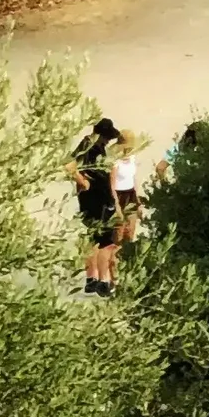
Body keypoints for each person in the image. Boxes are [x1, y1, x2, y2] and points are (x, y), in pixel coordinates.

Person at [72, 120, 125, 296]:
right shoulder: (91, 145)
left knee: (93, 238)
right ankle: (103, 281)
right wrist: (83, 182)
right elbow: (69, 165)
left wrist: (82, 183)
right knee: (106, 242)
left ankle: (91, 279)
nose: (109, 141)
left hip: (90, 198)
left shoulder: (88, 144)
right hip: (99, 198)